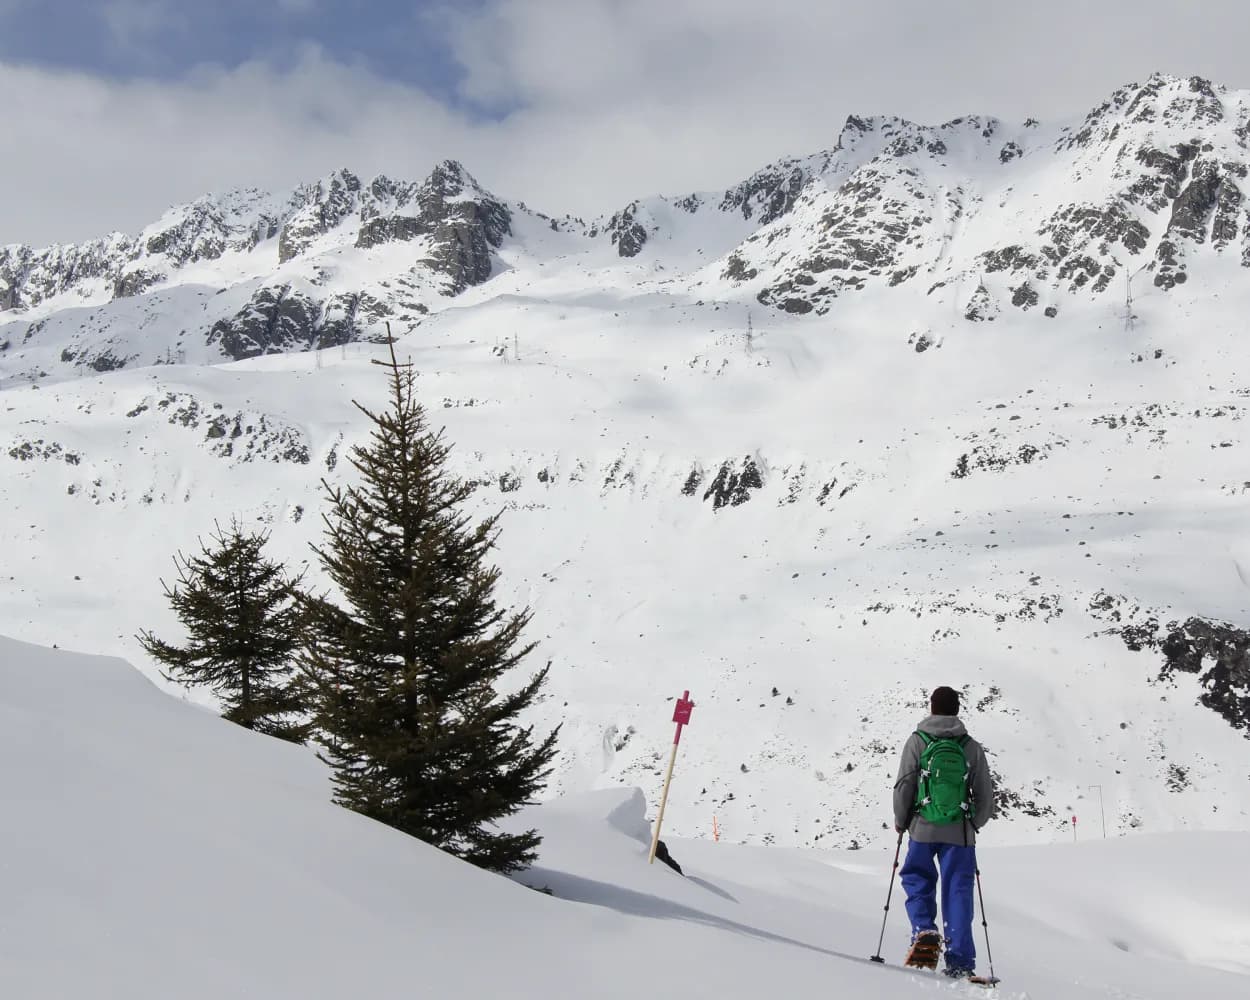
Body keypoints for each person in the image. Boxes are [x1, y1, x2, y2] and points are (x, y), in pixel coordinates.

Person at [892, 685, 995, 979]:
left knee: (917, 879)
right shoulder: (970, 746)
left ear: (932, 707)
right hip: (959, 834)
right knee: (957, 891)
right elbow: (985, 793)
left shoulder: (917, 741)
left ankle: (924, 931)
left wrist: (901, 820)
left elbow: (904, 785)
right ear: (957, 710)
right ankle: (960, 959)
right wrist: (973, 823)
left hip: (922, 829)